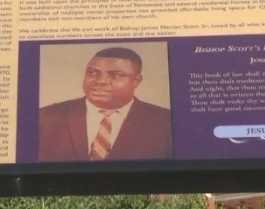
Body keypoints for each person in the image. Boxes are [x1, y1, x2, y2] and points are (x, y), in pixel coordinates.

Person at [39, 47, 173, 162]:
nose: (101, 81)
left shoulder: (166, 122)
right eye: (93, 72)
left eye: (115, 75)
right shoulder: (45, 117)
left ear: (136, 81)